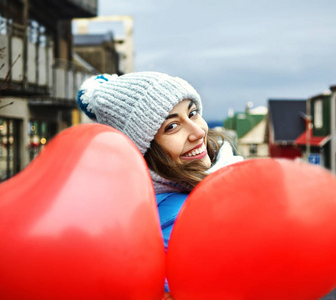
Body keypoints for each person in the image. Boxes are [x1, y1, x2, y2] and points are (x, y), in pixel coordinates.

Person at [76, 72, 243, 298]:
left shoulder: (208, 184)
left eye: (192, 113)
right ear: (145, 150)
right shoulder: (178, 220)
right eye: (172, 126)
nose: (198, 131)